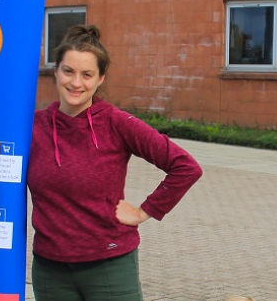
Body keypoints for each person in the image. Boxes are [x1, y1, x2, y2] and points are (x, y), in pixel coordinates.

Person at [27, 24, 203, 301]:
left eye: (87, 75)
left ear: (100, 79)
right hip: (50, 269)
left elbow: (185, 166)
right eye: (68, 71)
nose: (76, 83)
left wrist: (144, 211)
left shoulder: (116, 123)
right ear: (55, 72)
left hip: (109, 265)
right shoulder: (32, 127)